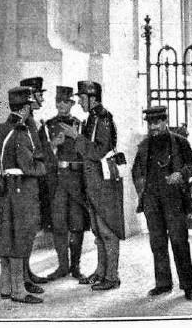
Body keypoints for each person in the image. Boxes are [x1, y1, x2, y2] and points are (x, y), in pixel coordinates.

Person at [60, 80, 125, 291]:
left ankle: (112, 276)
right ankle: (101, 272)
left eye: (82, 98)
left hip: (102, 183)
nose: (79, 102)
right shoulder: (94, 118)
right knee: (98, 230)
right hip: (94, 182)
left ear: (93, 98)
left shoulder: (102, 119)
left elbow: (97, 152)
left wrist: (76, 137)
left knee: (107, 229)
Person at [0, 86, 46, 304]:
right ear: (27, 108)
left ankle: (6, 286)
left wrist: (1, 171)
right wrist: (42, 167)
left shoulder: (1, 129)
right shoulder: (22, 132)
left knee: (5, 236)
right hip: (22, 192)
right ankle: (19, 291)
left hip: (5, 191)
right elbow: (29, 166)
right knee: (19, 238)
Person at [132, 106, 192, 301]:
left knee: (179, 242)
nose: (153, 127)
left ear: (164, 121)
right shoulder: (144, 146)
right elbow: (136, 171)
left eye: (157, 122)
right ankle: (163, 284)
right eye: (150, 123)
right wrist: (141, 190)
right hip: (152, 201)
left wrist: (181, 174)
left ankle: (188, 286)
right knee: (158, 243)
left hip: (174, 200)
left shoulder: (180, 142)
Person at [39, 86, 89, 281]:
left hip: (76, 181)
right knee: (59, 224)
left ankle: (75, 267)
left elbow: (87, 152)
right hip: (57, 181)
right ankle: (62, 266)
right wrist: (53, 144)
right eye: (58, 102)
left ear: (72, 104)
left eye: (66, 102)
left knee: (77, 224)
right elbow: (40, 154)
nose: (61, 105)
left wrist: (76, 138)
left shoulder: (80, 125)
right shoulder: (47, 125)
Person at [18, 76, 50, 288]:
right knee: (25, 232)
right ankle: (24, 277)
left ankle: (27, 273)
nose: (41, 100)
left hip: (35, 183)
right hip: (27, 184)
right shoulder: (25, 125)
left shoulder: (33, 122)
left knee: (30, 231)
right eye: (39, 95)